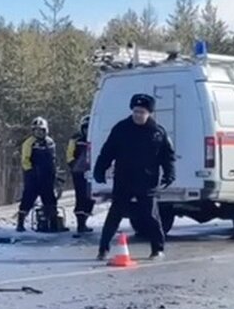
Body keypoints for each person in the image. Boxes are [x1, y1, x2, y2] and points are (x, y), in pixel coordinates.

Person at [93, 93, 176, 261]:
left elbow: (167, 156)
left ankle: (157, 249)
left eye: (142, 112)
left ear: (149, 113)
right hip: (124, 179)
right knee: (115, 214)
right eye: (136, 111)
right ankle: (103, 249)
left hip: (147, 180)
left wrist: (169, 174)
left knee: (150, 216)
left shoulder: (157, 132)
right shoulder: (121, 129)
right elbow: (108, 151)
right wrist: (100, 169)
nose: (138, 115)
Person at [17, 117, 58, 232]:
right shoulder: (29, 143)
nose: (39, 132)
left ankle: (53, 223)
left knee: (50, 200)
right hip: (33, 177)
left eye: (41, 130)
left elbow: (53, 159)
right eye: (36, 130)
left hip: (47, 177)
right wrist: (30, 172)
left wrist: (54, 173)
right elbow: (25, 159)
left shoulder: (50, 142)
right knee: (28, 199)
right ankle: (20, 223)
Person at [66, 115, 95, 235]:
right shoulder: (76, 140)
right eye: (85, 128)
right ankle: (80, 224)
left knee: (91, 198)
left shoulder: (95, 139)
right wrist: (74, 166)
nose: (87, 131)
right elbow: (69, 155)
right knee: (81, 197)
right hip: (79, 173)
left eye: (89, 128)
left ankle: (85, 221)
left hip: (92, 173)